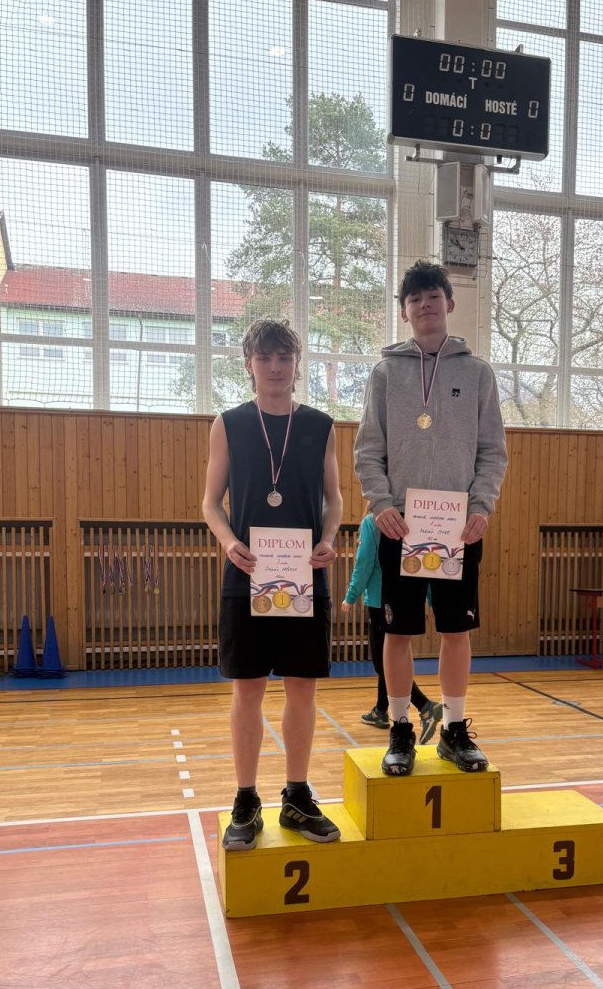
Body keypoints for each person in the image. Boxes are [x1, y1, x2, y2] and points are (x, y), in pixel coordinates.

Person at [354, 260, 508, 777]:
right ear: (404, 311)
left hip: (458, 527)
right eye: (414, 298)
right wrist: (381, 504)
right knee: (396, 633)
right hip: (399, 525)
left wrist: (481, 506)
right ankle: (400, 728)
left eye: (433, 296)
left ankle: (455, 730)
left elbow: (492, 451)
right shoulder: (384, 374)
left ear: (449, 303)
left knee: (455, 631)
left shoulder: (477, 373)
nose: (424, 304)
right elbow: (367, 450)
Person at [202, 319, 343, 850]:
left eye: (284, 357)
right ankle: (245, 798)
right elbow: (210, 502)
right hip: (248, 575)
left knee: (302, 689)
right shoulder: (229, 424)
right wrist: (227, 542)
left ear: (297, 363)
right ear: (249, 364)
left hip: (305, 575)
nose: (275, 367)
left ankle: (297, 795)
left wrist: (328, 538)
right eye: (265, 358)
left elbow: (335, 499)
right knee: (248, 691)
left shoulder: (321, 425)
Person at [341, 512, 443, 743]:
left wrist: (351, 595)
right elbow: (425, 563)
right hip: (408, 598)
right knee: (391, 655)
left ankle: (425, 706)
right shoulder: (415, 518)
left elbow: (364, 563)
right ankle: (380, 710)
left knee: (384, 662)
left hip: (380, 602)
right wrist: (430, 599)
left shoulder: (371, 521)